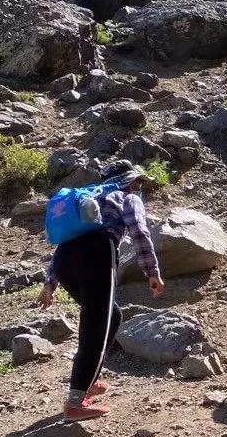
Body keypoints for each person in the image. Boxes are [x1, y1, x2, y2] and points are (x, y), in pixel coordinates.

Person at [38, 165, 164, 422]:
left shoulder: (89, 198)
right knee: (96, 325)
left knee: (111, 316)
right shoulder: (127, 197)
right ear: (130, 182)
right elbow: (139, 231)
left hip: (65, 262)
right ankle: (75, 402)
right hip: (97, 254)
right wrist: (152, 271)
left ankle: (88, 380)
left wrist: (50, 282)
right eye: (139, 183)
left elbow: (65, 243)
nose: (139, 188)